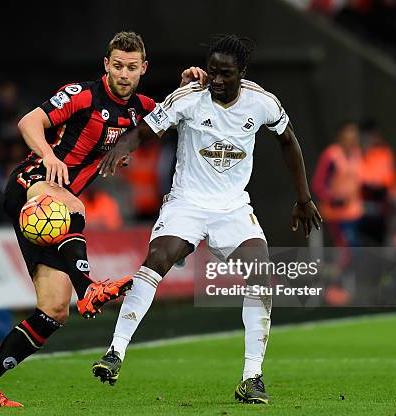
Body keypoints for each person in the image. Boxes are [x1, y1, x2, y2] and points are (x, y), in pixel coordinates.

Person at [0, 31, 205, 407]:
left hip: (53, 215)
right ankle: (88, 286)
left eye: (132, 67)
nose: (124, 74)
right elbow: (29, 122)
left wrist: (186, 87)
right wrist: (48, 155)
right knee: (74, 207)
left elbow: (175, 115)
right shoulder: (82, 95)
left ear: (143, 69)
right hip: (32, 183)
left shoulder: (141, 107)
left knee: (53, 312)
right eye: (117, 66)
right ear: (106, 65)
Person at [94, 35, 321, 405]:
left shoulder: (262, 102)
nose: (215, 79)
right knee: (157, 260)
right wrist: (122, 147)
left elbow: (288, 141)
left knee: (261, 275)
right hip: (188, 202)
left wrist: (303, 197)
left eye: (224, 73)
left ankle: (252, 376)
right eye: (212, 71)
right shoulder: (188, 98)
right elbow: (145, 130)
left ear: (240, 74)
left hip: (232, 208)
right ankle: (115, 352)